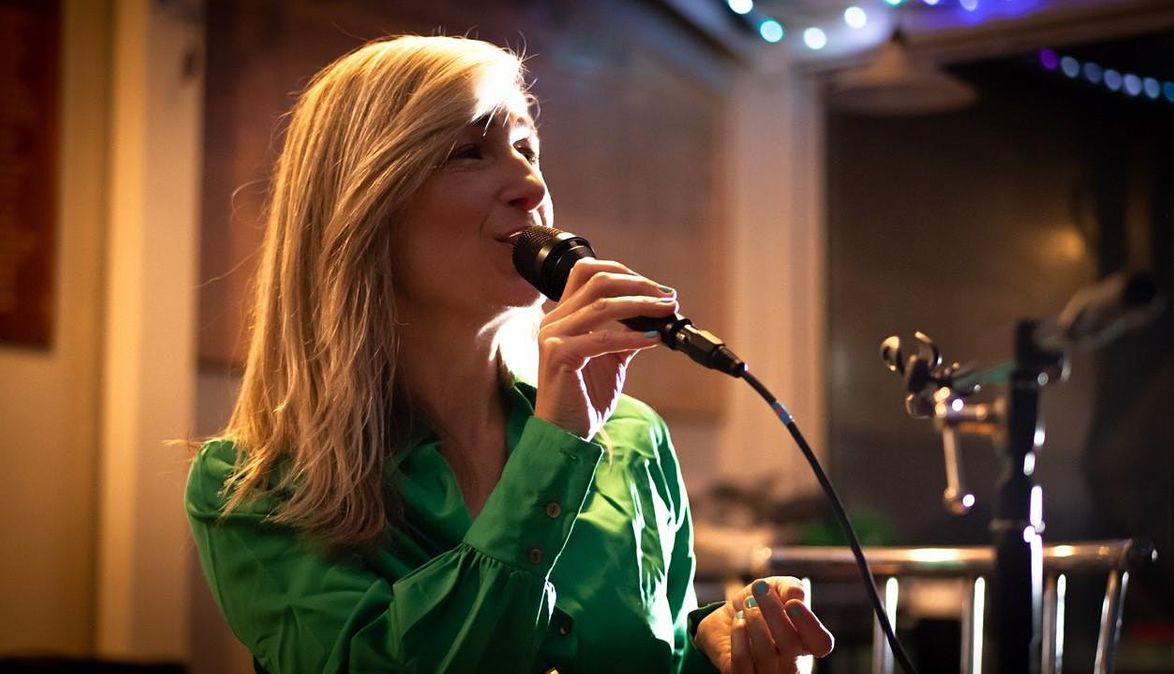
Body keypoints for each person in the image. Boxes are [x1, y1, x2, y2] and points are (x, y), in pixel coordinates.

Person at [185, 35, 834, 674]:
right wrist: (555, 446)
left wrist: (717, 650)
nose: (530, 183)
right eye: (469, 151)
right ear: (364, 206)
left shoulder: (634, 439)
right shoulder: (253, 486)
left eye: (526, 147)